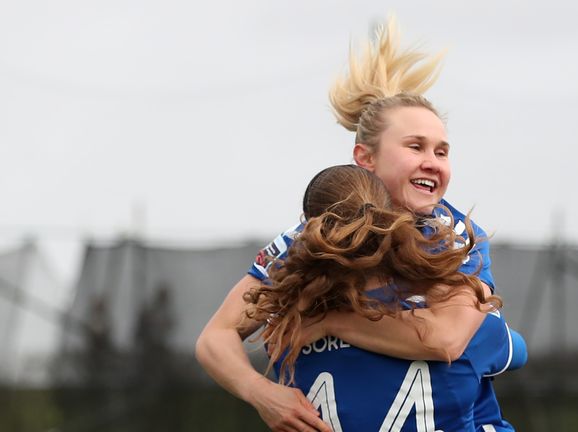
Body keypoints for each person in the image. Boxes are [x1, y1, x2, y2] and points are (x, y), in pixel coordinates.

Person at [196, 16, 522, 431]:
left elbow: (444, 339)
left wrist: (327, 321)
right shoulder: (305, 241)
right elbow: (215, 337)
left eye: (442, 152)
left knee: (504, 346)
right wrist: (263, 394)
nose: (432, 162)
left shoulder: (453, 233)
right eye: (415, 146)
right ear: (365, 158)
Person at [244, 164, 526, 431]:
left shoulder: (287, 336)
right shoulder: (457, 335)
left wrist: (328, 325)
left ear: (308, 232)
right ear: (387, 218)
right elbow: (515, 350)